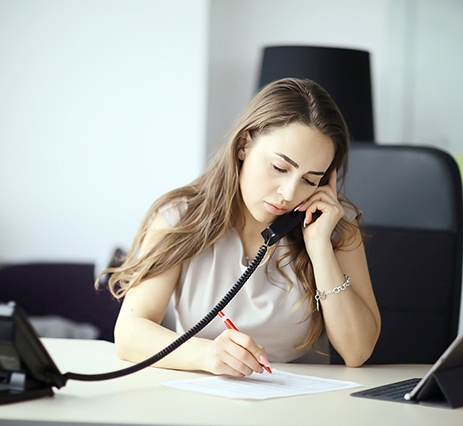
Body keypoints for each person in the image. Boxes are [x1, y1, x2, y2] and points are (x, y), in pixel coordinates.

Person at [102, 77, 380, 377]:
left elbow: (357, 351)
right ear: (244, 145)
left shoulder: (335, 225)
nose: (289, 193)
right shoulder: (180, 216)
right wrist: (207, 355)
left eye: (310, 180)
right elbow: (129, 333)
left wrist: (321, 248)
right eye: (279, 168)